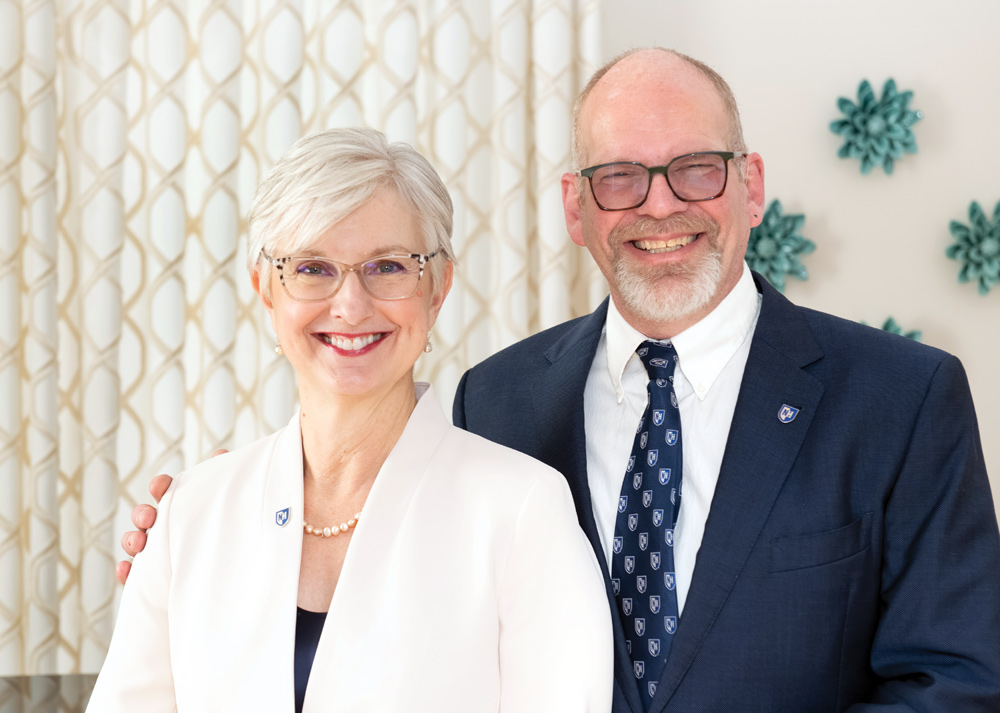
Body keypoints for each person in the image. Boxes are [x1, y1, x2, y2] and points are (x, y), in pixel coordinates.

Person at [121, 49, 1000, 712]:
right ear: (576, 207)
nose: (661, 204)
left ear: (751, 186)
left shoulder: (903, 398)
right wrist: (220, 520)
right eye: (620, 178)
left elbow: (958, 682)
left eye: (696, 168)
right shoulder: (499, 398)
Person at [92, 127, 613, 713]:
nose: (350, 306)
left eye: (388, 266)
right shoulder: (186, 515)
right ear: (266, 289)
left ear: (437, 288)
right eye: (313, 268)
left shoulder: (524, 512)